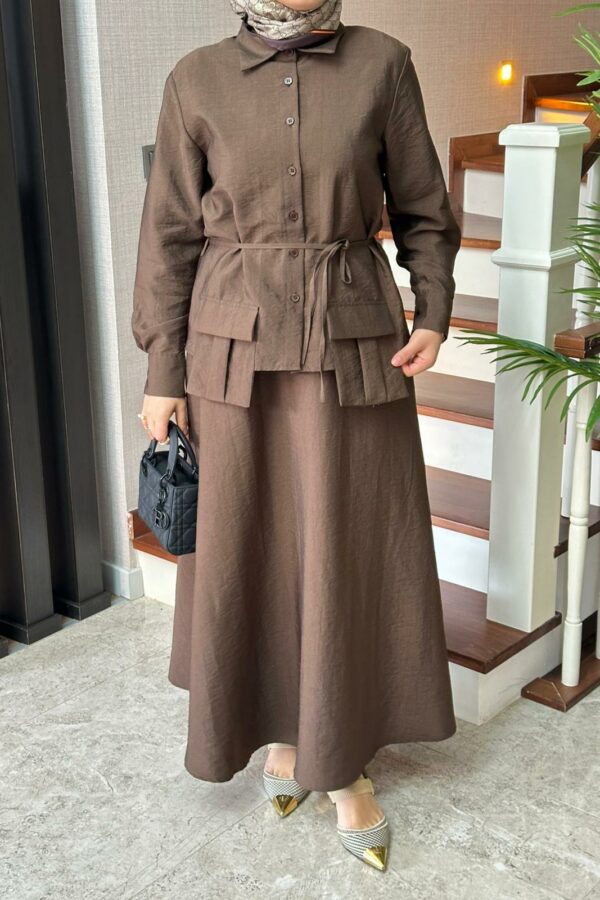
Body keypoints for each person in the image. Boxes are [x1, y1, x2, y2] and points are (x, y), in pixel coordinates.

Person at [132, 0, 462, 873]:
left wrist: (433, 308)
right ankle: (282, 736)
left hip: (352, 343)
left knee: (349, 550)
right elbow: (168, 235)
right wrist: (162, 371)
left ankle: (341, 761)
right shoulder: (196, 79)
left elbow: (424, 206)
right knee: (254, 552)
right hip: (229, 356)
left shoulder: (383, 63)